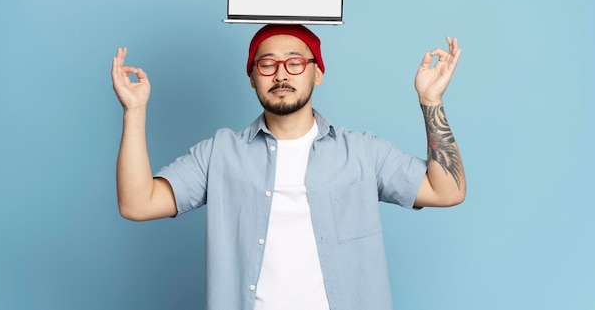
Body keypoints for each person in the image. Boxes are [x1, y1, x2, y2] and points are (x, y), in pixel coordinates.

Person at [111, 24, 466, 310]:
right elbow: (137, 204)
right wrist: (134, 111)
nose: (281, 74)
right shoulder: (219, 154)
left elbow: (446, 191)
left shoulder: (362, 152)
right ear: (252, 77)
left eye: (295, 62)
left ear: (317, 73)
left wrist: (430, 101)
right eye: (267, 64)